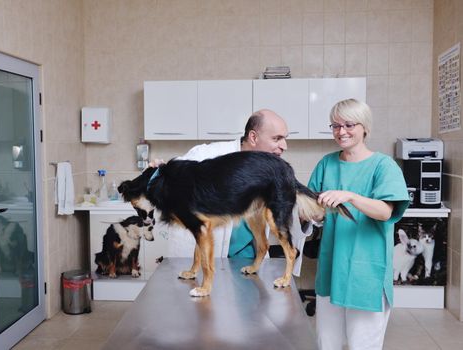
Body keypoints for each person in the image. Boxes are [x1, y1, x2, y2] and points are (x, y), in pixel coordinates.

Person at [307, 99, 409, 350]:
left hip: (366, 274)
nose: (341, 132)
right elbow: (312, 210)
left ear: (365, 127)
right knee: (326, 344)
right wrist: (314, 215)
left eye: (349, 124)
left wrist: (350, 196)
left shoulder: (383, 166)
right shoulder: (326, 164)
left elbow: (386, 212)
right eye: (335, 126)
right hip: (332, 269)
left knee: (362, 345)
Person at [163, 109, 312, 277]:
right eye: (277, 138)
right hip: (203, 257)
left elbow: (285, 217)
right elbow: (169, 179)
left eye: (285, 138)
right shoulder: (205, 155)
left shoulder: (271, 170)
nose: (284, 146)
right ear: (253, 137)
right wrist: (158, 172)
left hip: (247, 259)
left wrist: (308, 215)